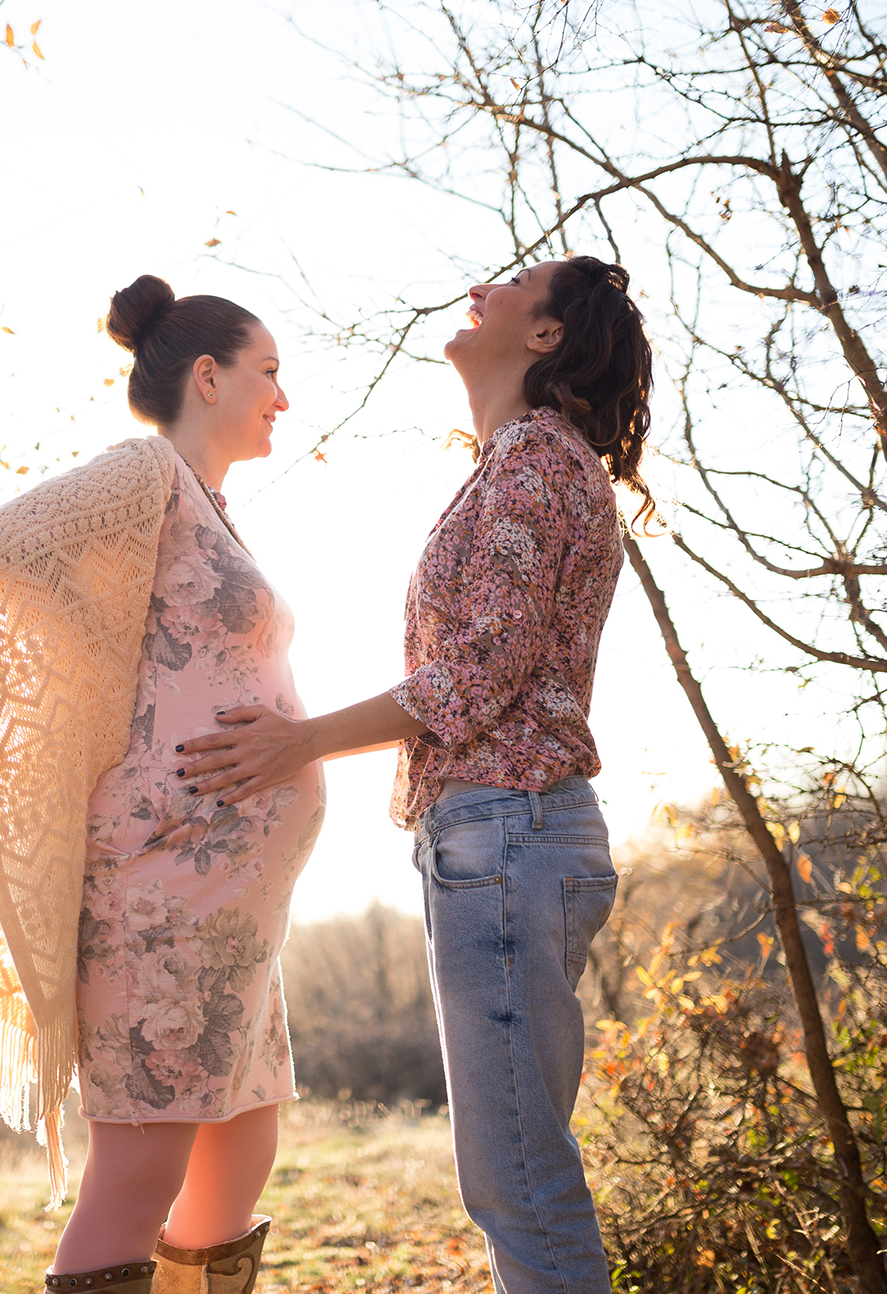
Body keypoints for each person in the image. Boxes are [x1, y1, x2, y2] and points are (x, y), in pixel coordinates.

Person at [174, 255, 654, 1293]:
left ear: (546, 334)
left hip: (507, 835)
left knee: (519, 1180)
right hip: (494, 839)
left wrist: (294, 741)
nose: (482, 285)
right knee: (512, 1175)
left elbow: (474, 675)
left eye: (515, 281)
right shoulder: (518, 461)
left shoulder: (534, 460)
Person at [0, 275, 325, 1294]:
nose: (282, 396)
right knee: (139, 1168)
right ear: (207, 374)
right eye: (267, 372)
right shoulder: (143, 471)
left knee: (238, 1150)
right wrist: (85, 697)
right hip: (160, 893)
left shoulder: (207, 507)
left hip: (230, 909)